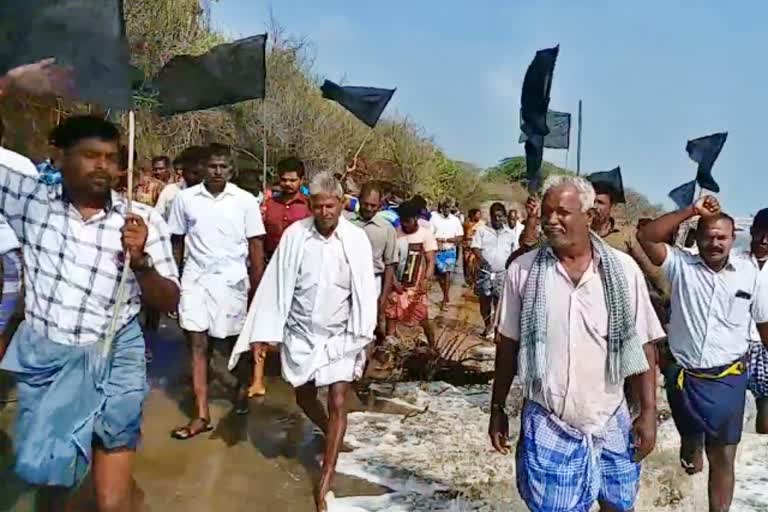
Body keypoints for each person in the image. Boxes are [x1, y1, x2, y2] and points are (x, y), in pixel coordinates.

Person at [0, 115, 180, 511]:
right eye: (91, 156)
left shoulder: (142, 221)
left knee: (110, 498)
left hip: (117, 353)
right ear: (61, 157)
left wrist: (142, 261)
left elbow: (170, 301)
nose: (104, 166)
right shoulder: (30, 203)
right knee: (48, 480)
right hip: (47, 355)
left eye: (112, 158)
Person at [490, 175, 663, 512]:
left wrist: (648, 412)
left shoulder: (623, 271)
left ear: (589, 216)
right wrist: (497, 409)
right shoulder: (523, 272)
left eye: (563, 213)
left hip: (610, 413)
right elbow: (507, 347)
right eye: (547, 213)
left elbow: (644, 346)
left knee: (617, 504)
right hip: (548, 416)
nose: (552, 220)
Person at [229, 172, 376, 512]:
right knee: (304, 394)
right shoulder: (296, 236)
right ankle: (331, 433)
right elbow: (275, 283)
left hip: (341, 333)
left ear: (342, 205)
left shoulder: (355, 240)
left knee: (339, 399)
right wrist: (266, 331)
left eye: (331, 206)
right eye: (319, 206)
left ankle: (325, 478)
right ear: (311, 206)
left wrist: (364, 337)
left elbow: (365, 292)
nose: (325, 212)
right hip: (301, 332)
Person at [637, 195, 768, 511]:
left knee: (723, 455)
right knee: (691, 456)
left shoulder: (751, 274)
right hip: (683, 377)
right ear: (698, 238)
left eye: (721, 237)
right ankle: (687, 457)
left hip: (728, 379)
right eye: (708, 236)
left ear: (732, 237)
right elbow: (646, 236)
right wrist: (691, 211)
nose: (714, 243)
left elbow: (764, 325)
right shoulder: (681, 265)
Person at [168, 144, 265, 438]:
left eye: (223, 167)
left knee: (234, 346)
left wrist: (257, 289)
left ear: (231, 170)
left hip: (232, 282)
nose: (218, 172)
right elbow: (177, 242)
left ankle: (240, 389)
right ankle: (201, 414)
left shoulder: (245, 201)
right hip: (195, 282)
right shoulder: (185, 199)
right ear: (204, 168)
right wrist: (174, 281)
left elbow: (256, 246)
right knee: (197, 346)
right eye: (213, 166)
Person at [251, 157, 312, 397]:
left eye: (293, 180)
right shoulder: (268, 205)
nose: (288, 184)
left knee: (297, 323)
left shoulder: (308, 207)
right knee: (261, 321)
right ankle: (257, 379)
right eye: (284, 180)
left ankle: (297, 373)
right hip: (269, 269)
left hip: (300, 274)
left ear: (301, 180)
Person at [352, 182, 399, 347]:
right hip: (346, 280)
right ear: (359, 200)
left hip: (373, 282)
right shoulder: (345, 224)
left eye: (374, 205)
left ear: (380, 205)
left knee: (368, 327)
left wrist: (383, 297)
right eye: (366, 204)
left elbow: (390, 265)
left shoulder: (387, 229)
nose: (370, 209)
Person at [386, 200, 437, 348]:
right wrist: (394, 282)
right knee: (392, 315)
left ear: (415, 219)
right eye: (402, 221)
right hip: (397, 285)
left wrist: (426, 281)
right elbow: (389, 262)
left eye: (407, 221)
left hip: (416, 286)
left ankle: (433, 347)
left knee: (422, 317)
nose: (405, 224)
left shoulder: (425, 234)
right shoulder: (395, 234)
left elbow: (430, 260)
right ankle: (389, 348)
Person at [471, 203, 516, 338]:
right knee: (484, 301)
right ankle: (487, 325)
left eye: (500, 216)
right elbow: (475, 247)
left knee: (499, 301)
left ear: (504, 217)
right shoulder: (482, 230)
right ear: (490, 216)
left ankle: (496, 327)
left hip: (502, 273)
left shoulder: (510, 234)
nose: (497, 219)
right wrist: (482, 260)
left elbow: (514, 253)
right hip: (485, 272)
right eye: (494, 216)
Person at [746, 208, 768, 434]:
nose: (764, 240)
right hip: (733, 343)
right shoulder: (734, 261)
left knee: (766, 401)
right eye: (761, 232)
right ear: (752, 232)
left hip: (764, 346)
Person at [154, 146, 206, 222]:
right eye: (191, 171)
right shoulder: (170, 191)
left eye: (197, 172)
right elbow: (157, 218)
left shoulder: (216, 195)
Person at [429, 200, 464, 310]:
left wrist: (447, 239)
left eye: (449, 207)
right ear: (441, 207)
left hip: (450, 250)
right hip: (438, 251)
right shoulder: (434, 218)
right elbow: (429, 234)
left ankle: (444, 300)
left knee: (447, 275)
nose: (447, 209)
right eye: (445, 207)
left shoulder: (455, 220)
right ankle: (446, 294)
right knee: (440, 275)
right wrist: (436, 240)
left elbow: (460, 237)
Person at [462, 208, 483, 286]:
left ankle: (475, 280)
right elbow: (463, 235)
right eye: (478, 214)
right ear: (472, 215)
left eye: (480, 214)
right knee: (467, 264)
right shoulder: (466, 224)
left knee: (475, 263)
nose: (479, 216)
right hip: (467, 247)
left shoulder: (482, 224)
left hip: (477, 247)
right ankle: (468, 280)